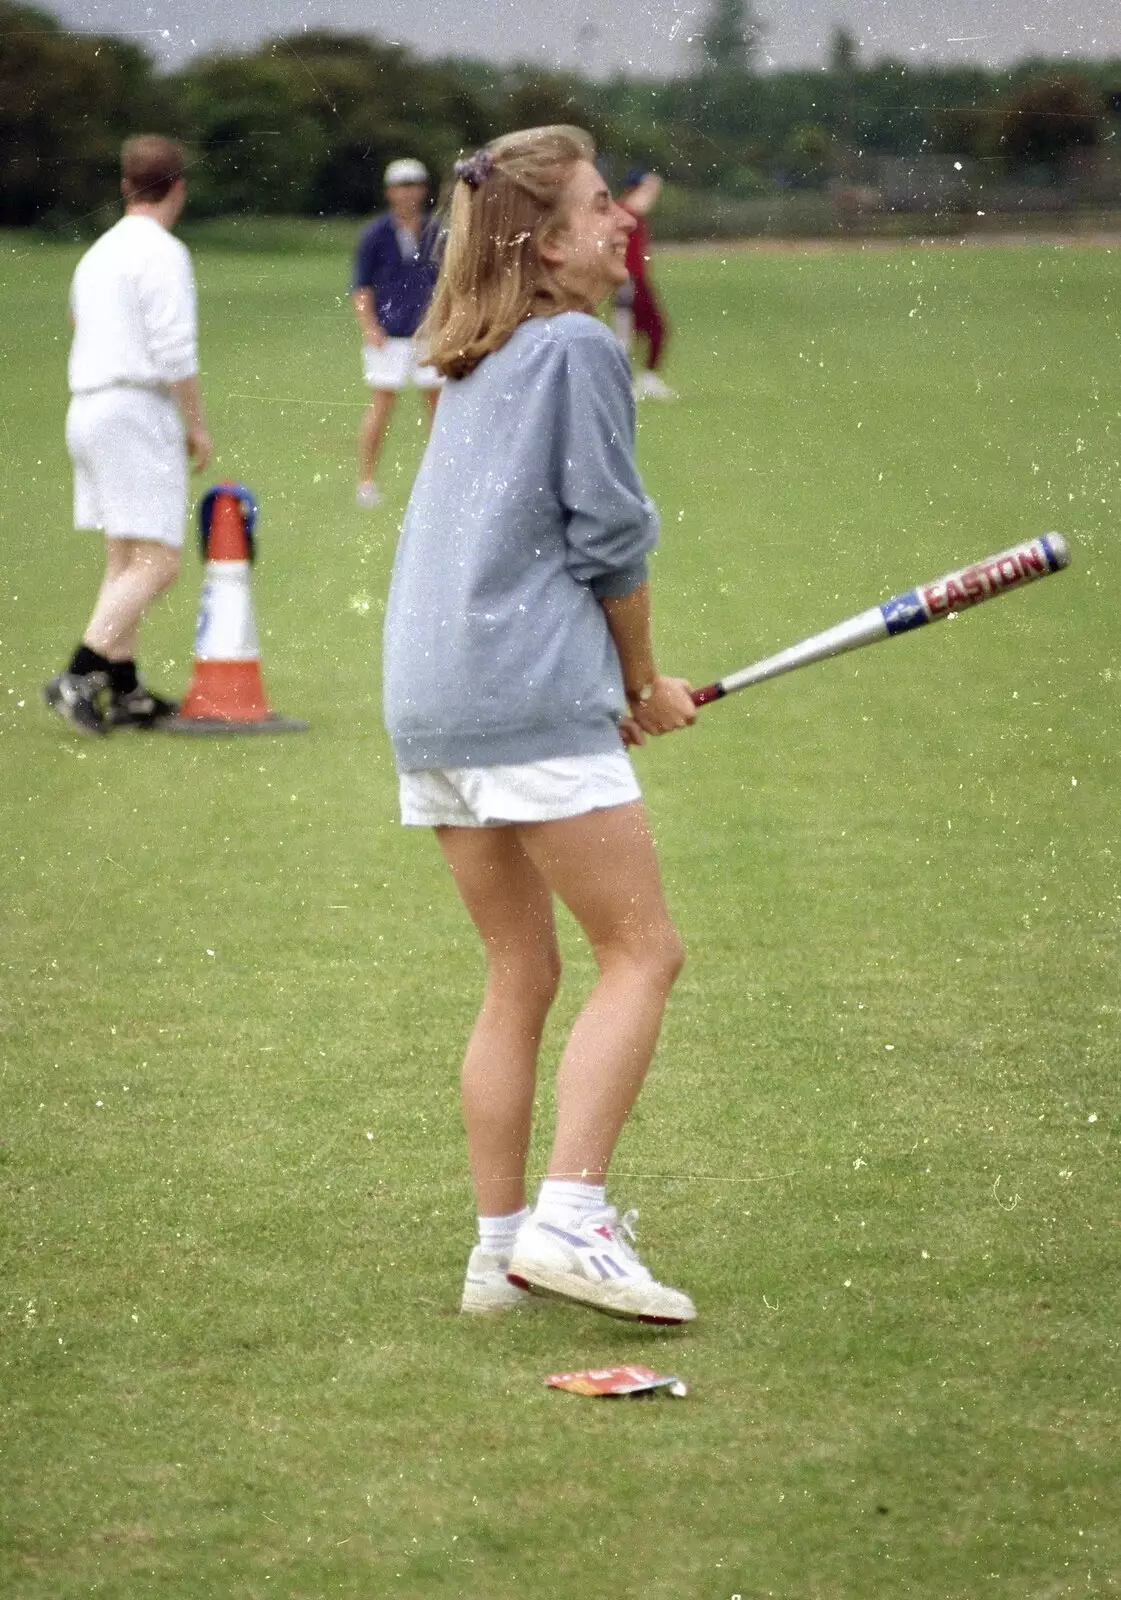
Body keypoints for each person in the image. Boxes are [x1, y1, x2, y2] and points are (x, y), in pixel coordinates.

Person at [382, 126, 699, 1325]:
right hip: (521, 693)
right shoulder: (573, 345)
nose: (621, 221)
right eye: (599, 205)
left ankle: (495, 1253)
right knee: (643, 951)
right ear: (548, 240)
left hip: (431, 702)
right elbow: (608, 539)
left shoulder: (470, 354)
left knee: (519, 969)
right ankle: (570, 1217)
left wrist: (599, 691)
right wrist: (637, 682)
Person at [44, 134, 211, 737]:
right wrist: (196, 424)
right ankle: (78, 673)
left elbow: (75, 320)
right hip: (134, 409)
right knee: (160, 563)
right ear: (179, 188)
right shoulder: (163, 253)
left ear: (124, 186)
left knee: (125, 556)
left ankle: (125, 689)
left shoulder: (100, 251)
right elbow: (174, 350)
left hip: (87, 406)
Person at [351, 157, 442, 509]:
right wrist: (369, 326)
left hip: (427, 334)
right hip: (389, 335)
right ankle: (366, 481)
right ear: (390, 192)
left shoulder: (435, 232)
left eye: (415, 184)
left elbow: (447, 281)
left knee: (437, 407)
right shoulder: (375, 235)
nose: (409, 193)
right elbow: (362, 287)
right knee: (382, 405)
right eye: (402, 186)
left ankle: (439, 480)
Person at [613, 167, 676, 400]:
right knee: (628, 333)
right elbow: (641, 203)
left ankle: (645, 379)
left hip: (635, 278)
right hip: (629, 278)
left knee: (648, 329)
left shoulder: (626, 210)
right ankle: (635, 381)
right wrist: (652, 184)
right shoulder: (625, 210)